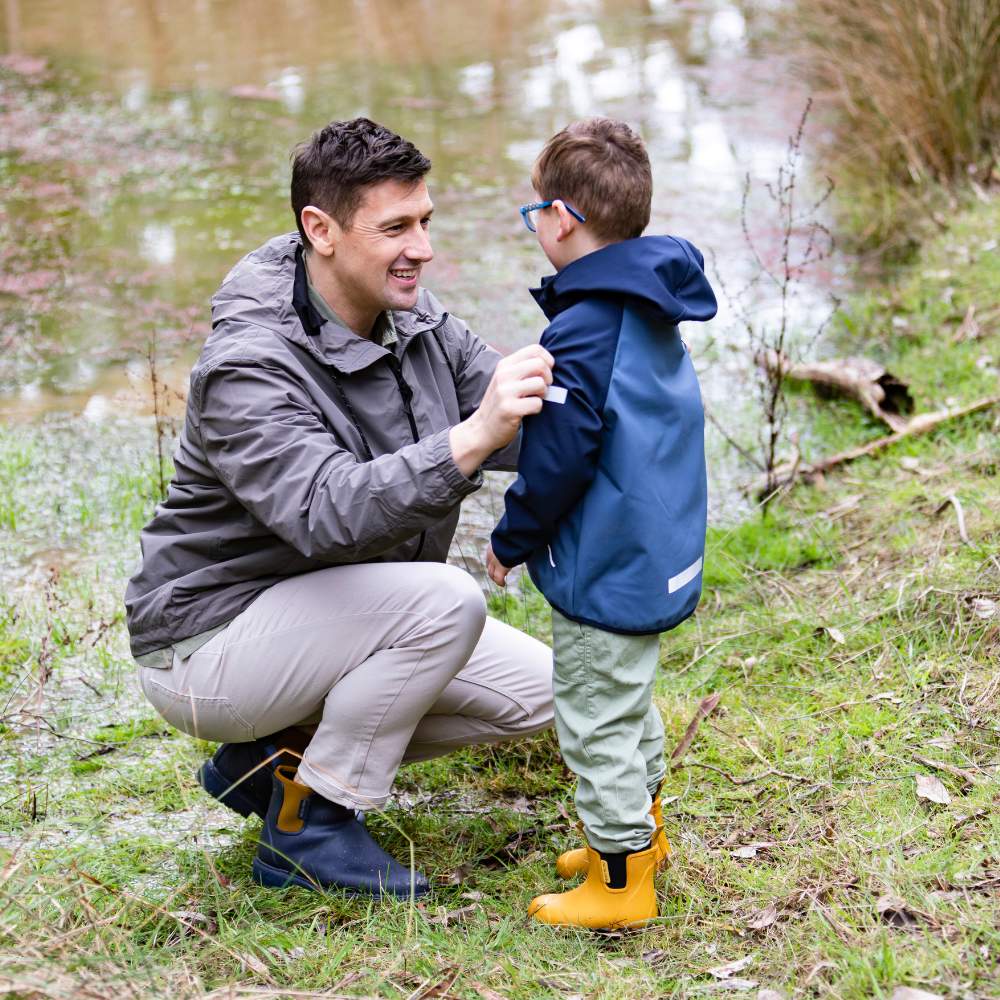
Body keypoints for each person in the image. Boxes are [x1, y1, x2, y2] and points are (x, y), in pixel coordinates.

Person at [124, 118, 558, 899]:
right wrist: (468, 440)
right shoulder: (249, 364)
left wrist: (616, 376)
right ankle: (311, 824)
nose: (421, 248)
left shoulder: (416, 320)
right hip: (208, 643)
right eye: (394, 227)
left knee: (541, 692)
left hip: (325, 623)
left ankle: (270, 761)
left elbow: (519, 420)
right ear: (318, 230)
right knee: (445, 601)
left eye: (424, 221)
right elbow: (325, 512)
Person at [486, 118, 718, 929]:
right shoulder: (647, 305)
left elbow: (559, 457)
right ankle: (638, 837)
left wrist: (507, 540)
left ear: (564, 217)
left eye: (533, 213)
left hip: (606, 558)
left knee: (592, 716)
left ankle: (621, 886)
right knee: (628, 699)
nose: (535, 227)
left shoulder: (583, 327)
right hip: (652, 547)